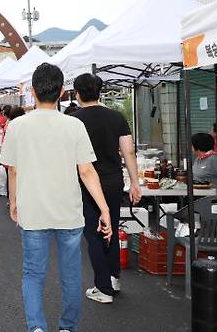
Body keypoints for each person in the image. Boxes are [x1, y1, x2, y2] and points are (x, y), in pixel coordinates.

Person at [0, 63, 112, 332]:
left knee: (33, 274)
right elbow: (86, 171)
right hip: (69, 212)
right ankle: (67, 327)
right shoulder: (74, 125)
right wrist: (104, 209)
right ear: (62, 92)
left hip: (33, 210)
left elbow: (12, 171)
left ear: (33, 91)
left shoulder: (17, 126)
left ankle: (37, 327)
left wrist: (13, 202)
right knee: (71, 275)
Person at [73, 73, 142, 303]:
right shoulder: (117, 117)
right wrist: (135, 182)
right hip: (114, 182)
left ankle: (103, 288)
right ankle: (113, 277)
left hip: (86, 184)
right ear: (99, 92)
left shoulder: (73, 119)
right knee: (110, 224)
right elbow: (128, 151)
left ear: (78, 93)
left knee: (94, 233)